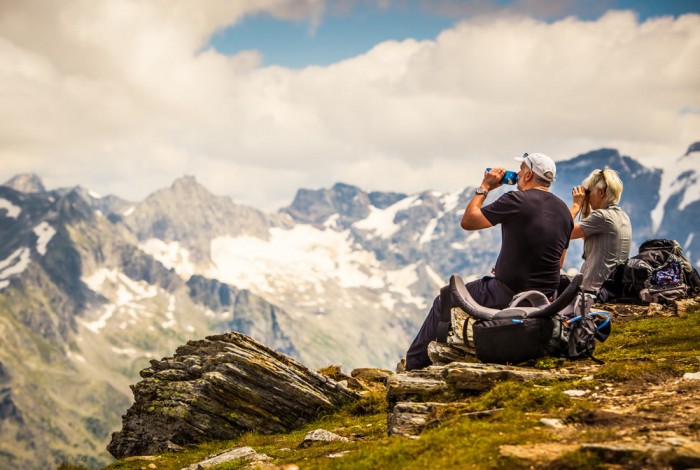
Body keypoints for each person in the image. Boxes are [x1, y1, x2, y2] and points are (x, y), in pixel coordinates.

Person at [404, 153, 574, 370]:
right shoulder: (564, 211)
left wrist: (485, 186)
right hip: (545, 298)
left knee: (444, 299)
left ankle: (416, 366)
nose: (518, 174)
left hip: (507, 292)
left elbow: (469, 221)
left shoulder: (516, 200)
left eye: (521, 169)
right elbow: (558, 263)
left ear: (529, 174)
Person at [568, 168, 632, 292]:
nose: (588, 196)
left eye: (589, 192)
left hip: (592, 289)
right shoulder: (623, 216)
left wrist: (576, 206)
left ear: (601, 192)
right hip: (610, 289)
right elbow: (585, 235)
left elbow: (563, 232)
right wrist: (586, 206)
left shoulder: (602, 217)